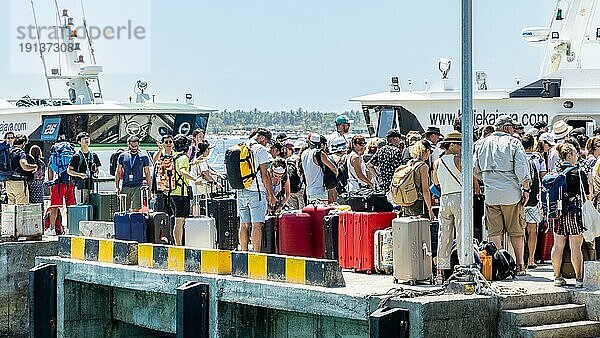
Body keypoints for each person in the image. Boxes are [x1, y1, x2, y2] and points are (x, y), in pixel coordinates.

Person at [474, 115, 531, 276]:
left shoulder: (481, 143)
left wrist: (486, 178)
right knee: (516, 231)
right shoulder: (514, 143)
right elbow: (521, 169)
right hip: (511, 194)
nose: (513, 130)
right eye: (512, 127)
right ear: (506, 128)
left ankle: (498, 266)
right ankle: (520, 265)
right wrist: (526, 189)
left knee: (494, 232)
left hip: (491, 194)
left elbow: (474, 168)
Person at [550, 143, 589, 288]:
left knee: (558, 246)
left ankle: (557, 277)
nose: (577, 156)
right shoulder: (578, 172)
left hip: (557, 214)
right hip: (573, 213)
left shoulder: (555, 172)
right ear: (570, 155)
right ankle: (579, 279)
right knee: (575, 247)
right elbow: (587, 194)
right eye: (575, 153)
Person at [238, 128, 276, 252]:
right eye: (267, 142)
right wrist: (270, 194)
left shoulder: (241, 146)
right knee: (257, 224)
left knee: (244, 224)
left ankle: (243, 252)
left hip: (241, 190)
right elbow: (265, 175)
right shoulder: (260, 149)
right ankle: (256, 254)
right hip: (256, 192)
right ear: (262, 138)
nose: (266, 144)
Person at [432, 131, 463, 284]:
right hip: (459, 197)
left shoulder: (437, 162)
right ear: (451, 145)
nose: (461, 147)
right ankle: (464, 266)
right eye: (459, 144)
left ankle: (440, 273)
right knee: (462, 234)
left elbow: (435, 182)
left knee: (443, 237)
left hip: (444, 198)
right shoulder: (459, 159)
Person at [171, 134, 205, 245]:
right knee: (180, 221)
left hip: (172, 191)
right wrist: (195, 179)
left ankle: (178, 243)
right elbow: (182, 171)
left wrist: (192, 163)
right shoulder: (184, 157)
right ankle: (179, 245)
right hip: (181, 193)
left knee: (178, 220)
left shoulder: (174, 156)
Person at [522, 134, 547, 269]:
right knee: (532, 230)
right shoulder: (538, 158)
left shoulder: (517, 157)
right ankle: (531, 259)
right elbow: (543, 177)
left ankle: (520, 259)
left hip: (519, 197)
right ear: (533, 145)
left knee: (519, 230)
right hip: (533, 199)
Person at [47, 136, 76, 234]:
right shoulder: (71, 153)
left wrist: (50, 182)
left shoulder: (55, 155)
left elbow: (50, 168)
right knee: (70, 207)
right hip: (70, 183)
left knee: (54, 207)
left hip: (57, 184)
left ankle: (51, 229)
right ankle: (70, 228)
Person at [115, 136, 151, 211]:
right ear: (128, 144)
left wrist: (149, 188)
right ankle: (125, 222)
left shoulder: (143, 157)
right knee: (124, 209)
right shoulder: (122, 156)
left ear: (139, 145)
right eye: (132, 146)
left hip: (138, 185)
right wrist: (117, 186)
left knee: (136, 209)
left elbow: (147, 173)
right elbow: (118, 172)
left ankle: (134, 222)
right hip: (125, 185)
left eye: (136, 146)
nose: (134, 148)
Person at [402, 140, 435, 220]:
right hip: (418, 202)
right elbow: (425, 190)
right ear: (427, 151)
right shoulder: (423, 166)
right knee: (421, 229)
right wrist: (430, 209)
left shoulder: (410, 163)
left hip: (407, 201)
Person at [301, 133, 338, 203]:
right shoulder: (318, 153)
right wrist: (336, 175)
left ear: (309, 142)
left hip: (309, 191)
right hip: (320, 191)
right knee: (323, 213)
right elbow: (333, 167)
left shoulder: (304, 153)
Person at [67, 132, 101, 204]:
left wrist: (95, 171)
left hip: (91, 185)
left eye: (88, 138)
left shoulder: (93, 155)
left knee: (92, 206)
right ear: (79, 142)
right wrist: (79, 175)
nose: (87, 140)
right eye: (84, 138)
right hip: (80, 186)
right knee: (81, 206)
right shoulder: (76, 156)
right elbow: (69, 171)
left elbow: (97, 170)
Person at [6, 134, 37, 205]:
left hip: (8, 183)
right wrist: (34, 167)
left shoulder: (8, 151)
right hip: (19, 183)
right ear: (23, 143)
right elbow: (24, 166)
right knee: (22, 208)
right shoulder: (20, 153)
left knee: (11, 208)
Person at [153, 134, 175, 215]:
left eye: (170, 142)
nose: (169, 144)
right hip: (162, 185)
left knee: (172, 208)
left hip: (173, 184)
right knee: (162, 208)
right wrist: (160, 150)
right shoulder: (160, 153)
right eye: (166, 142)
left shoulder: (175, 154)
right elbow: (154, 161)